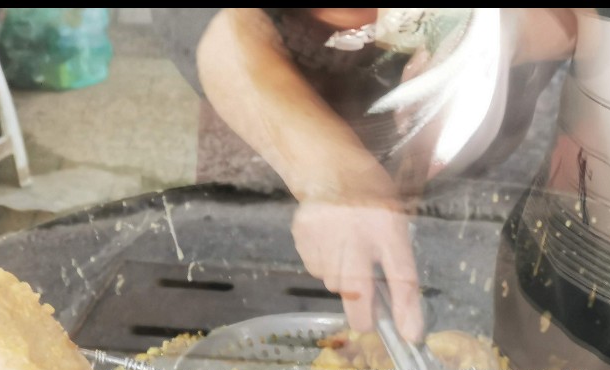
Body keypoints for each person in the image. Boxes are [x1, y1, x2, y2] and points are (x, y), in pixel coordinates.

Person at [195, 8, 575, 342]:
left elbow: (593, 22)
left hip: (480, 178)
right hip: (272, 157)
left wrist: (498, 30)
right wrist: (335, 175)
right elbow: (227, 34)